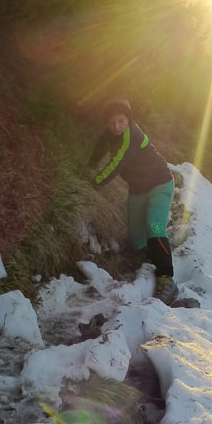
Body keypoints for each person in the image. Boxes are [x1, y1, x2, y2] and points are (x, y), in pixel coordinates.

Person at [88, 98, 178, 305]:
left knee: (154, 225)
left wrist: (95, 182)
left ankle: (166, 278)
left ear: (128, 120)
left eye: (121, 121)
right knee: (137, 239)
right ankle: (147, 258)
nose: (116, 126)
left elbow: (116, 163)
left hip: (160, 184)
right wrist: (89, 167)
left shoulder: (132, 136)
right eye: (112, 122)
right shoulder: (110, 133)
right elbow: (100, 148)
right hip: (138, 188)